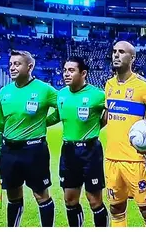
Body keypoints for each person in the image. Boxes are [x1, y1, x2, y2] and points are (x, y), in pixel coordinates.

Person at [0, 50, 57, 227]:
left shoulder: (44, 89)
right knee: (13, 196)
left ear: (30, 67)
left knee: (41, 195)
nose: (12, 67)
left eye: (17, 64)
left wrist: (46, 122)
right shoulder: (5, 91)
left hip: (34, 151)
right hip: (9, 151)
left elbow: (63, 107)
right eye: (11, 64)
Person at [46, 56, 109, 227]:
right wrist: (39, 123)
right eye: (65, 70)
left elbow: (110, 113)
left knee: (94, 200)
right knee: (70, 199)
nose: (66, 74)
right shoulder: (61, 94)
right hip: (68, 152)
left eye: (71, 70)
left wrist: (96, 128)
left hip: (90, 152)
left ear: (83, 73)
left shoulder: (97, 95)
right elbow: (57, 116)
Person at [103, 41, 146, 227]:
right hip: (111, 158)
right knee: (116, 209)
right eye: (114, 51)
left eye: (122, 52)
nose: (116, 55)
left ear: (132, 58)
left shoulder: (144, 86)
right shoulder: (108, 85)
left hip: (135, 159)